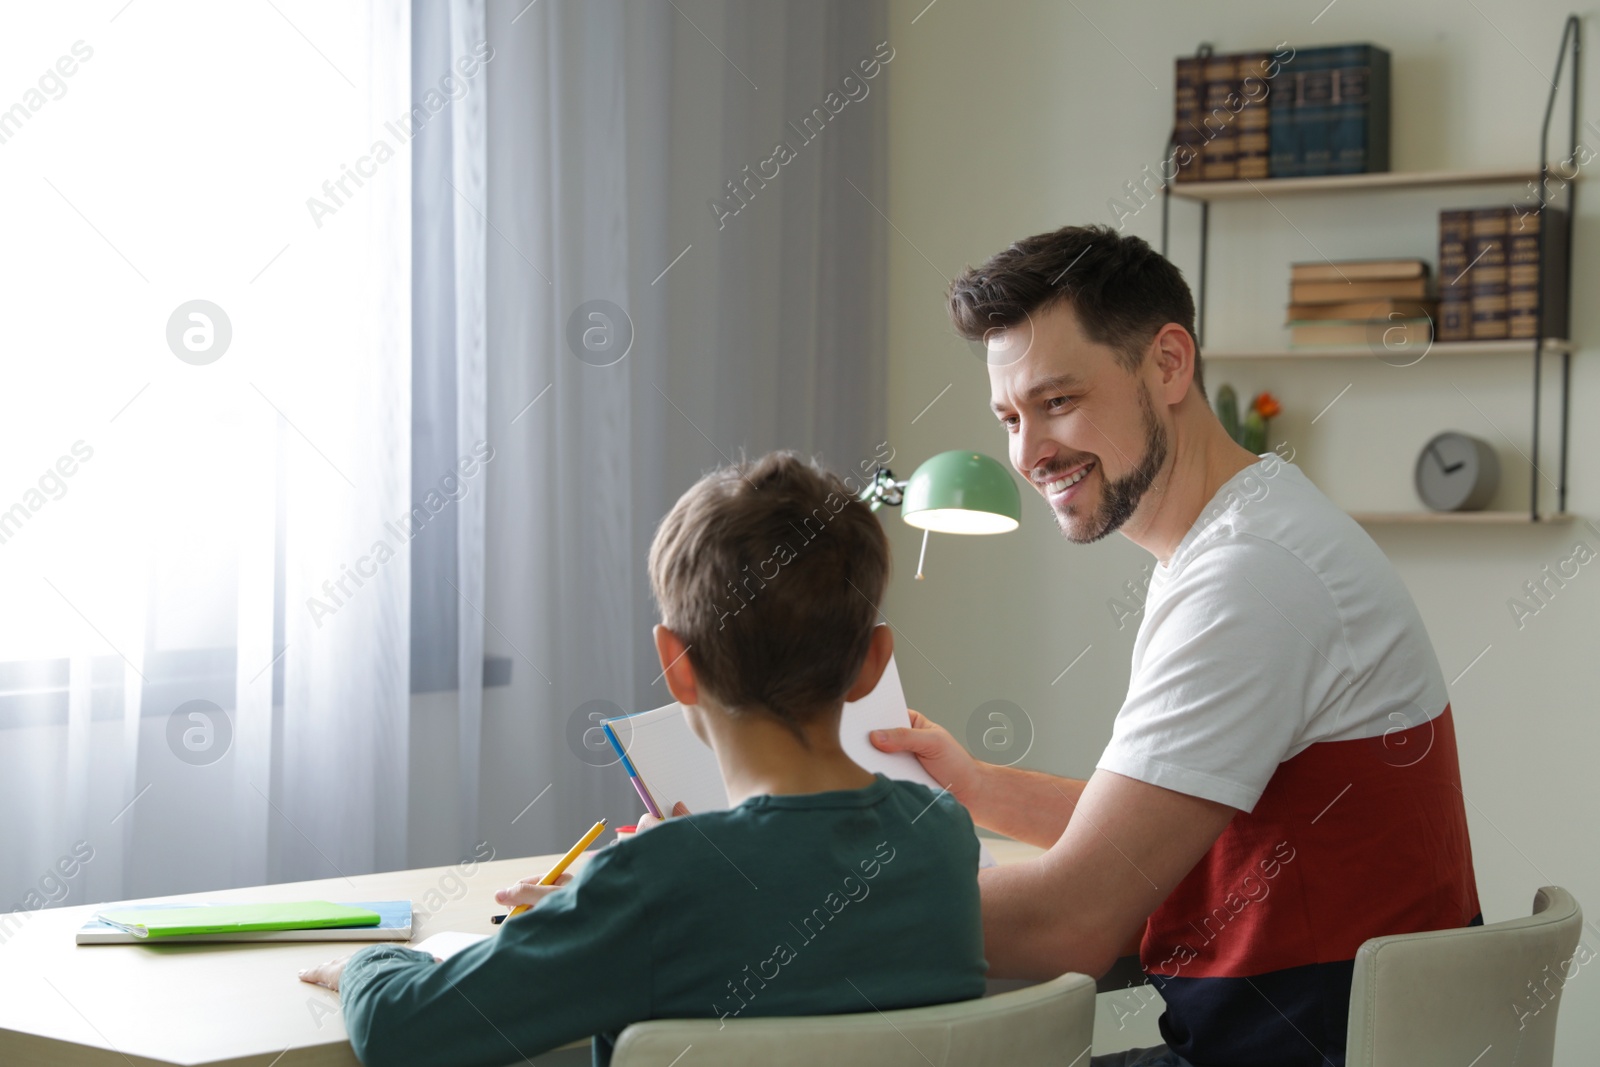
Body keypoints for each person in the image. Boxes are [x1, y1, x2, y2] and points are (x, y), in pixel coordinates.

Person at [871, 224, 1480, 1067]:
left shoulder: (1249, 575)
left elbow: (1071, 922)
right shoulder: (1247, 534)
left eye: (1057, 401)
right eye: (1010, 416)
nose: (1027, 451)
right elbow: (1155, 825)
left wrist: (811, 901)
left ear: (1167, 364)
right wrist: (976, 787)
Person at [299, 451, 987, 1066]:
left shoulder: (657, 878)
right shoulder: (942, 835)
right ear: (873, 664)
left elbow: (403, 1032)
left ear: (676, 665)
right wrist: (609, 904)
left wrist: (372, 962)